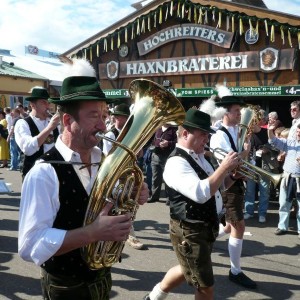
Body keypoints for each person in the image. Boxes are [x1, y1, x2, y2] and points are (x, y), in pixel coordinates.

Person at [18, 62, 149, 300]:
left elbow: (114, 201)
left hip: (101, 277)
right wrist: (92, 233)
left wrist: (135, 193)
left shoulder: (104, 160)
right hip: (66, 286)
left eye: (104, 115)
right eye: (94, 116)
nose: (102, 124)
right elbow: (30, 246)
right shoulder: (43, 173)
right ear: (68, 121)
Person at [144, 108, 241, 300]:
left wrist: (232, 177)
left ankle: (154, 296)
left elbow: (217, 187)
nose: (206, 139)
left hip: (204, 226)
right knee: (205, 287)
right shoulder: (176, 162)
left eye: (207, 134)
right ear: (186, 133)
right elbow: (201, 193)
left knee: (186, 267)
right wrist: (223, 167)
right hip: (190, 229)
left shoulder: (200, 157)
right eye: (203, 134)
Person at [209, 95, 256, 289]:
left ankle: (206, 238)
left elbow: (245, 160)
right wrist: (245, 153)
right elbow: (229, 163)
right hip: (227, 184)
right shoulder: (219, 135)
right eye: (237, 111)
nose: (240, 114)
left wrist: (249, 164)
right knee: (239, 226)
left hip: (237, 182)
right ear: (226, 112)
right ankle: (235, 271)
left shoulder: (238, 131)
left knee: (229, 227)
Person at [101, 103, 145, 250]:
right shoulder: (110, 134)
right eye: (122, 117)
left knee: (129, 203)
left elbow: (139, 155)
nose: (124, 120)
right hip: (115, 175)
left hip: (129, 172)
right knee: (116, 203)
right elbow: (110, 158)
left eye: (127, 118)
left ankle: (128, 231)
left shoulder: (130, 134)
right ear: (115, 118)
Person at [14, 87, 60, 179]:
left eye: (49, 102)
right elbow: (28, 149)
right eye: (44, 102)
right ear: (32, 105)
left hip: (54, 174)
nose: (48, 106)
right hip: (33, 175)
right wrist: (50, 127)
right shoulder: (23, 123)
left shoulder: (54, 123)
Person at [268, 123, 300, 238]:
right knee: (284, 204)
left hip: (299, 179)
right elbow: (274, 141)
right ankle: (282, 227)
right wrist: (270, 130)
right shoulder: (290, 142)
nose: (298, 133)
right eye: (297, 131)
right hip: (287, 177)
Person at [244, 111, 275, 223]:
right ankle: (249, 211)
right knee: (249, 191)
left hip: (264, 166)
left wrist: (266, 149)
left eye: (253, 121)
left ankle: (262, 213)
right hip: (251, 166)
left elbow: (274, 145)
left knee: (264, 191)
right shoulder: (248, 133)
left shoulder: (265, 132)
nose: (251, 123)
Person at [148, 124, 178, 204]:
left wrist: (168, 143)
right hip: (156, 156)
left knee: (167, 178)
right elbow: (152, 140)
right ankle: (154, 197)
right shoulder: (157, 128)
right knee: (155, 178)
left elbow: (177, 142)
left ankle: (169, 198)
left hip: (167, 157)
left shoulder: (173, 130)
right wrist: (155, 144)